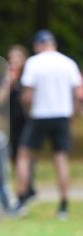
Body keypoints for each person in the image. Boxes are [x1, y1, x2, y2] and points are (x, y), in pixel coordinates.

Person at [13, 30, 82, 219]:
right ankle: (63, 205)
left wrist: (28, 114)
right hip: (62, 115)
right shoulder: (68, 63)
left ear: (38, 45)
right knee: (60, 158)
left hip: (39, 115)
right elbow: (77, 93)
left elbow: (27, 95)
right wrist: (73, 114)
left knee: (24, 155)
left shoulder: (34, 63)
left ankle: (21, 199)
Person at [0, 44, 36, 200]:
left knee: (25, 156)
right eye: (11, 58)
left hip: (28, 121)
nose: (14, 61)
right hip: (12, 123)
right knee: (14, 157)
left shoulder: (29, 77)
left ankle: (26, 190)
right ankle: (24, 188)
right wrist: (7, 81)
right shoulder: (7, 78)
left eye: (17, 57)